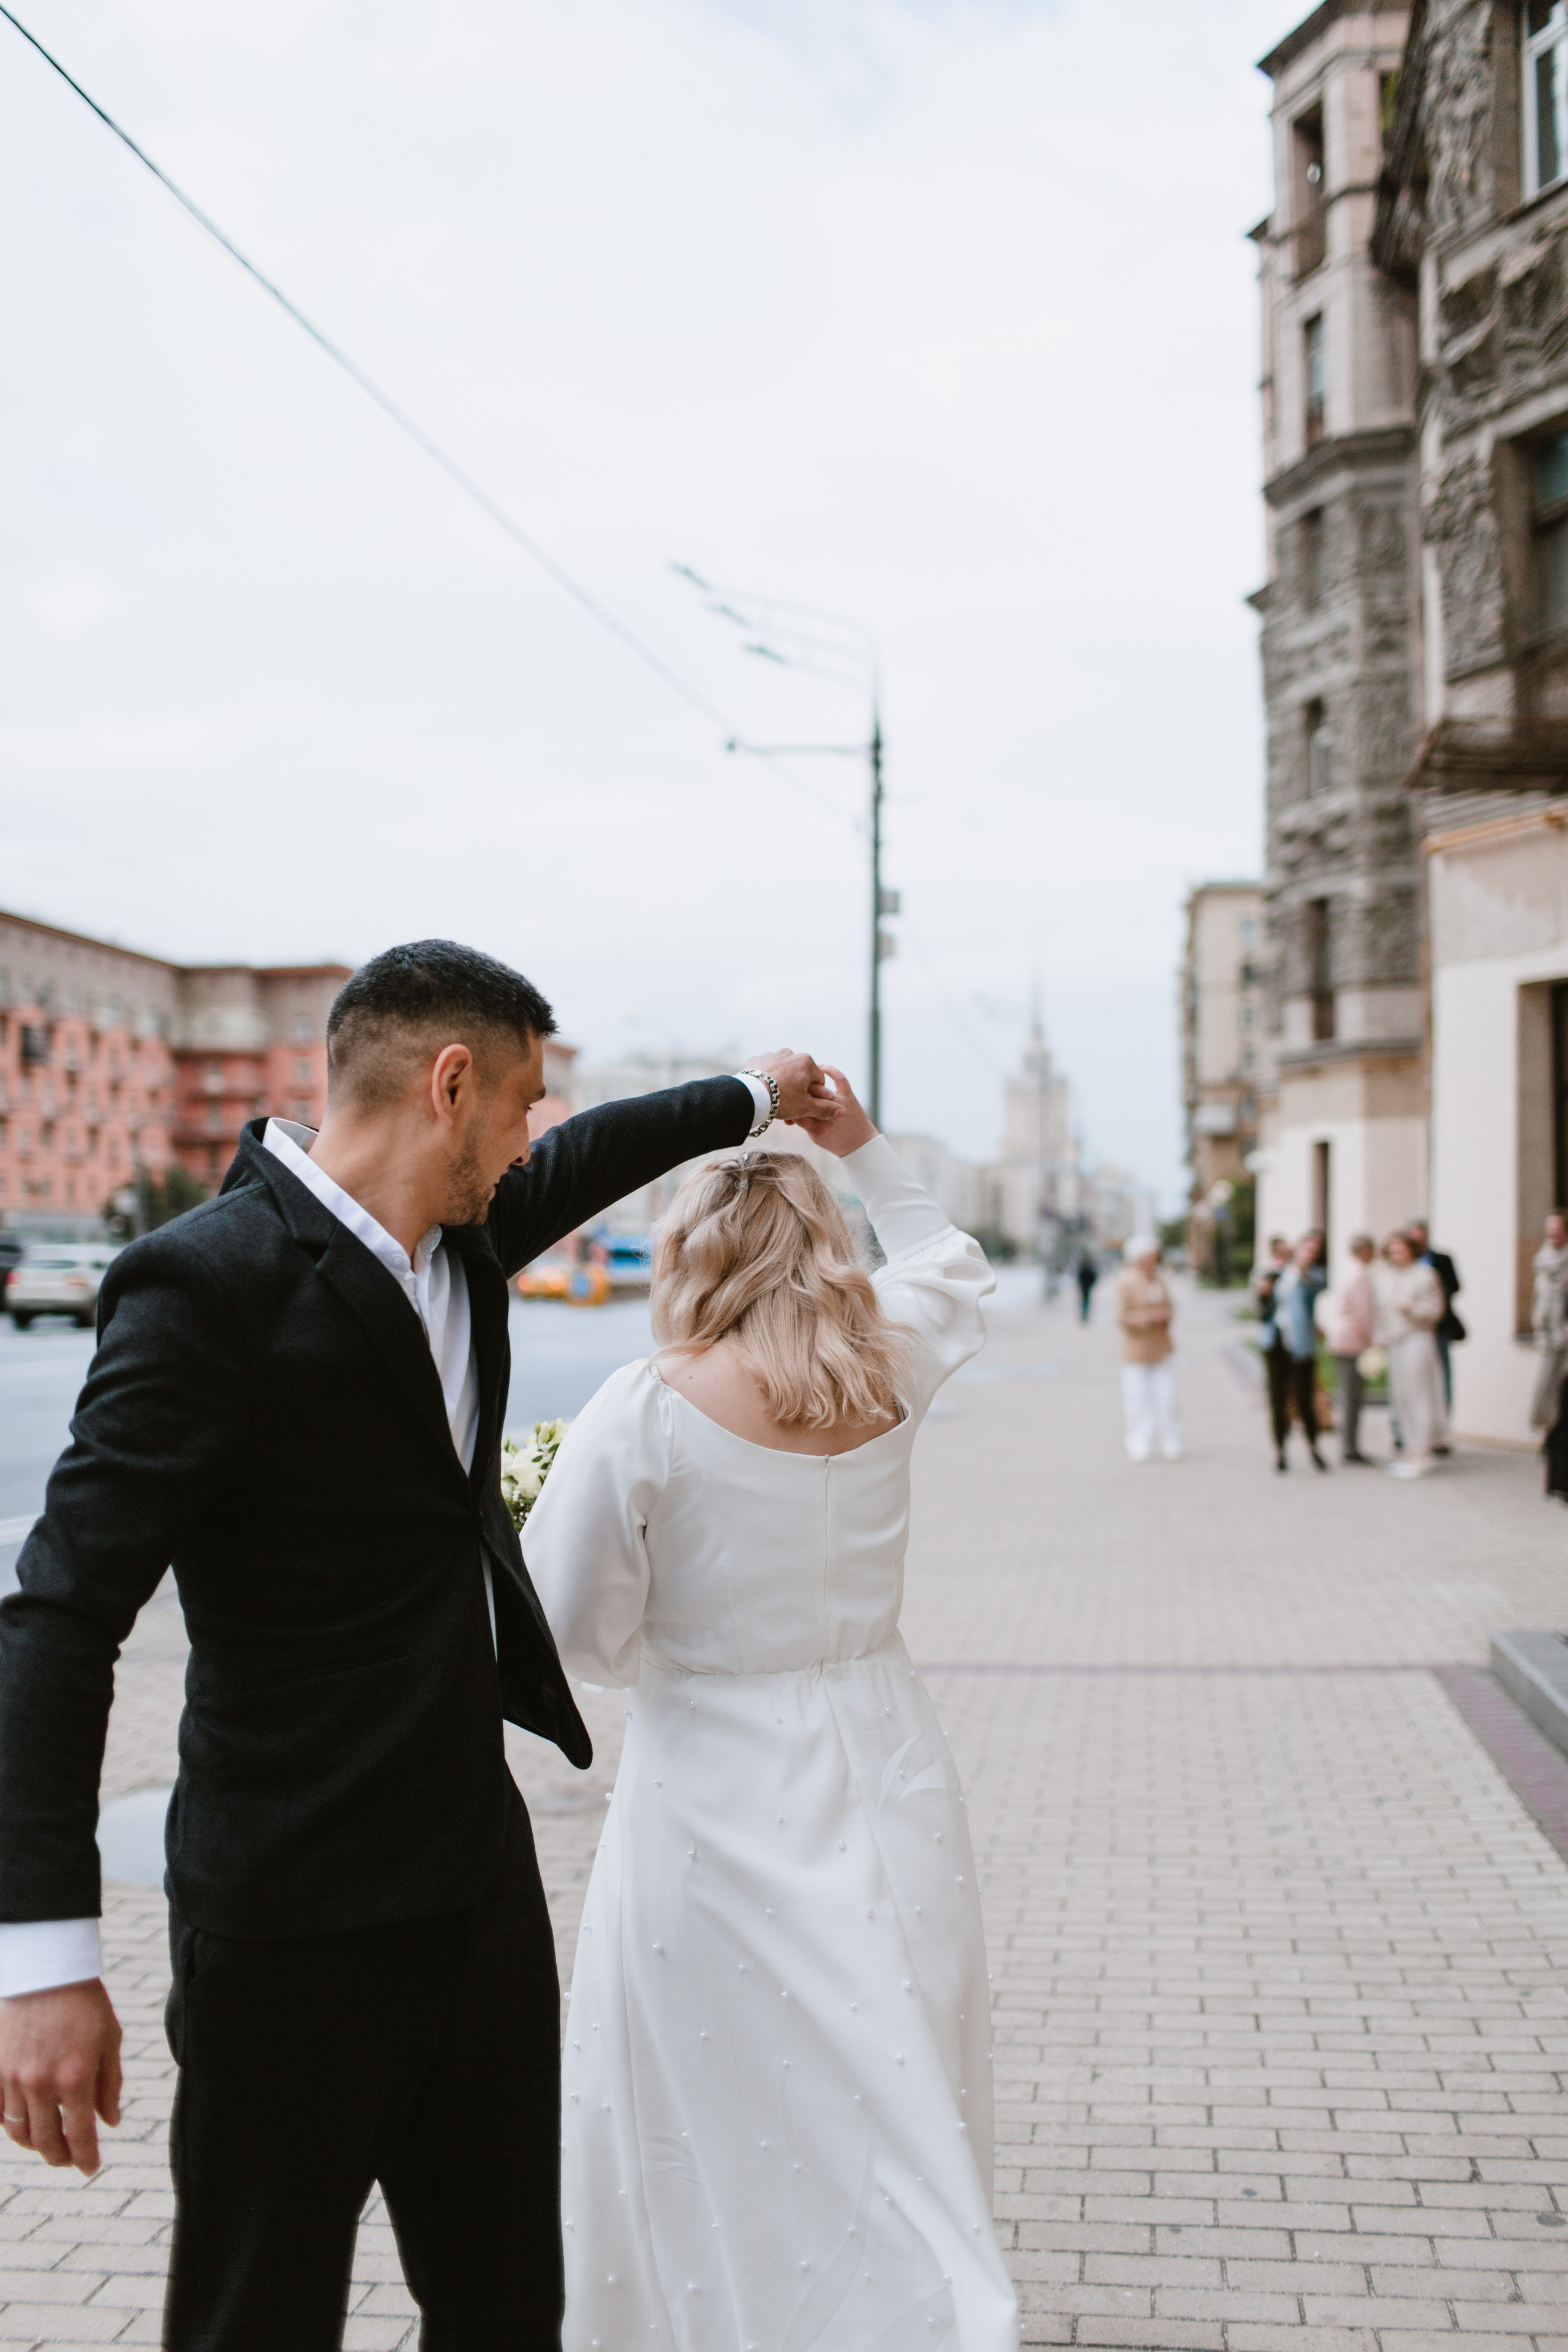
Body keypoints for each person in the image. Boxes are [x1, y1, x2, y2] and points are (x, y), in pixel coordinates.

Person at [0, 938, 839, 2352]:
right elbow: (60, 1617)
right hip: (286, 1917)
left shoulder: (462, 1238)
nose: (531, 1142)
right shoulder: (205, 1289)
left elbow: (602, 1152)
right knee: (255, 2318)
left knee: (516, 2302)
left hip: (474, 1893)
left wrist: (754, 1093)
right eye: (519, 1107)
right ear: (450, 1086)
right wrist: (41, 1954)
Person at [524, 1070, 1020, 2352]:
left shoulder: (645, 1410)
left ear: (688, 1255)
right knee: (887, 2066)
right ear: (823, 1246)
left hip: (710, 1777)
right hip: (883, 1744)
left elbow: (566, 1629)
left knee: (708, 2080)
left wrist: (666, 1654)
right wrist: (855, 1142)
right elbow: (949, 1257)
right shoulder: (888, 1366)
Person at [1374, 1228, 1446, 1480]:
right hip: (1394, 1340)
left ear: (1411, 1250)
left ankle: (1423, 1448)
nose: (1396, 1255)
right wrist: (1378, 1338)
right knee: (1400, 1395)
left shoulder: (1425, 1276)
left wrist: (1411, 1308)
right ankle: (1409, 1446)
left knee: (1420, 1393)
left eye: (1401, 1249)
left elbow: (1435, 1312)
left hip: (1417, 1336)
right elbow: (1380, 1313)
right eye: (1392, 1250)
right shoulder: (1383, 1278)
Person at [1113, 1235, 1182, 1461]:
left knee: (1167, 1399)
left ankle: (1171, 1440)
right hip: (1136, 1351)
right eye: (1151, 1256)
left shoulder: (1160, 1280)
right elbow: (1121, 1317)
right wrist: (1148, 1317)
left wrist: (1165, 1316)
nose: (1155, 1260)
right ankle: (1138, 1440)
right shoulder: (1126, 1282)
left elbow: (1171, 1308)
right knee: (1137, 1400)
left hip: (1161, 1349)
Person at [1269, 1231, 1328, 1473]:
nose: (1310, 1255)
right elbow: (1263, 1302)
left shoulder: (1314, 1278)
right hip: (1276, 1343)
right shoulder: (1276, 1273)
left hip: (1302, 1345)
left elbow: (1314, 1295)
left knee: (1305, 1399)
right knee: (1278, 1398)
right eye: (1307, 1249)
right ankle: (1281, 1450)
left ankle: (1314, 1448)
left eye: (1315, 1252)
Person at [1406, 1217, 1463, 1450]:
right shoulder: (1406, 1263)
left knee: (1441, 1378)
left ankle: (1441, 1431)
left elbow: (1455, 1287)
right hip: (1410, 1330)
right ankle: (1410, 1432)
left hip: (1437, 1328)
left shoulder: (1440, 1260)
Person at [1323, 1234, 1378, 1464]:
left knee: (1349, 1394)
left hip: (1343, 1337)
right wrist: (1371, 1340)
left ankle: (1349, 1446)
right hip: (1353, 1339)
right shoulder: (1359, 1275)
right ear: (1365, 1251)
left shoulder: (1346, 1270)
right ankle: (1350, 1448)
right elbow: (1363, 1313)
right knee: (1352, 1395)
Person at [1253, 1234, 1293, 1459]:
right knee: (1275, 1389)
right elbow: (1259, 1304)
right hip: (1272, 1338)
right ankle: (1280, 1442)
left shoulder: (1294, 1272)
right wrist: (1264, 1291)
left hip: (1293, 1340)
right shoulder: (1264, 1271)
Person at [1531, 1210, 1568, 1434]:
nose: (1552, 1235)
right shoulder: (1543, 1262)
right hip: (1551, 1337)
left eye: (1557, 1231)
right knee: (1549, 1387)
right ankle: (1554, 1433)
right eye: (1549, 1231)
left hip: (1565, 1334)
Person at [1075, 1250, 1099, 1322]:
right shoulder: (1087, 1268)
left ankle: (1084, 1315)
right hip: (1086, 1287)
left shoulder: (1084, 1268)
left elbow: (1093, 1277)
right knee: (1085, 1301)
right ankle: (1084, 1315)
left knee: (1084, 1301)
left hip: (1085, 1287)